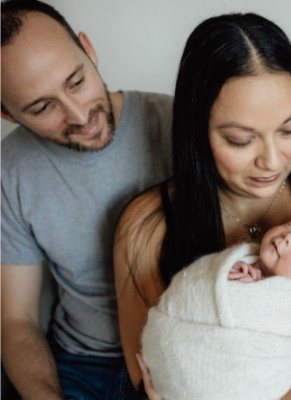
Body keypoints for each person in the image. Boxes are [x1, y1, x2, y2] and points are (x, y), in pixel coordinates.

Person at [113, 12, 291, 400]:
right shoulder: (148, 225)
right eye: (241, 141)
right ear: (196, 132)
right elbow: (154, 371)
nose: (273, 161)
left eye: (289, 129)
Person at [0, 0, 173, 399]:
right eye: (43, 107)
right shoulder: (11, 171)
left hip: (173, 351)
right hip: (79, 364)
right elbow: (16, 320)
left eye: (76, 81)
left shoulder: (178, 124)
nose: (79, 116)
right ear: (8, 115)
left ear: (88, 49)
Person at [139, 215, 291, 400]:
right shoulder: (243, 257)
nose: (290, 238)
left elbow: (281, 363)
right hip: (170, 351)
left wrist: (254, 294)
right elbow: (201, 282)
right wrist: (228, 273)